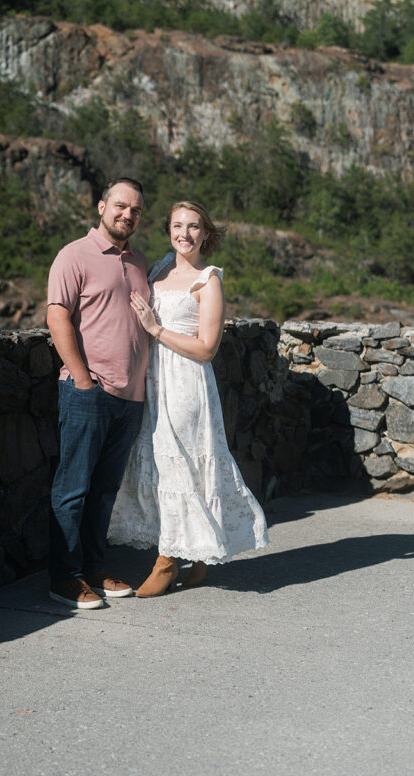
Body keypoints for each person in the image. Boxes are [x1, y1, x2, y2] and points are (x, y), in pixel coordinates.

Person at [108, 200, 269, 596]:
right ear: (168, 231)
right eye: (178, 225)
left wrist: (155, 329)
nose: (185, 233)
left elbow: (207, 348)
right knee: (164, 464)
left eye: (194, 227)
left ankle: (167, 560)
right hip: (153, 377)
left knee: (177, 462)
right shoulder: (160, 267)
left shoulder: (208, 280)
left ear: (206, 234)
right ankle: (197, 557)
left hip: (185, 383)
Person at [46, 177, 150, 609]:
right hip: (90, 393)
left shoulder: (140, 262)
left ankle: (92, 569)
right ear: (102, 207)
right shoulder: (75, 255)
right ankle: (65, 578)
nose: (128, 214)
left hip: (130, 399)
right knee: (73, 489)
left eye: (136, 210)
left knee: (105, 491)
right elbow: (57, 318)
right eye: (121, 206)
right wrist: (83, 380)